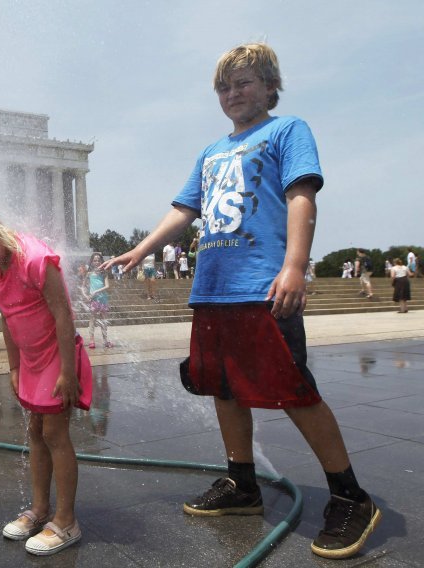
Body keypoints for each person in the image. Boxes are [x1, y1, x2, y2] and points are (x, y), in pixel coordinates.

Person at [104, 43, 379, 559]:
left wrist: (295, 265)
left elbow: (302, 195)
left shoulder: (287, 130)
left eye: (245, 83)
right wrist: (138, 250)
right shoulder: (210, 153)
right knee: (223, 389)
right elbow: (184, 210)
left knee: (295, 390)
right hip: (211, 289)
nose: (234, 94)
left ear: (271, 87)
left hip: (262, 287)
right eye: (225, 87)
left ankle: (350, 496)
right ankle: (241, 484)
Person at [0, 189, 92, 556]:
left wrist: (68, 373)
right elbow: (8, 318)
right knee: (36, 432)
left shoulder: (36, 258)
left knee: (55, 434)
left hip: (57, 357)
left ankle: (67, 520)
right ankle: (40, 510)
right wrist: (13, 365)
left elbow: (63, 315)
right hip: (32, 362)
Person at [85, 252, 112, 349]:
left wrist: (96, 291)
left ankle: (105, 340)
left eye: (98, 260)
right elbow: (83, 287)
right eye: (94, 260)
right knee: (92, 320)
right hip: (94, 300)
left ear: (101, 261)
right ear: (92, 262)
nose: (96, 262)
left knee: (104, 321)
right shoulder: (89, 274)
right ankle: (91, 340)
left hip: (103, 299)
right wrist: (86, 295)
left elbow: (107, 286)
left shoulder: (104, 273)